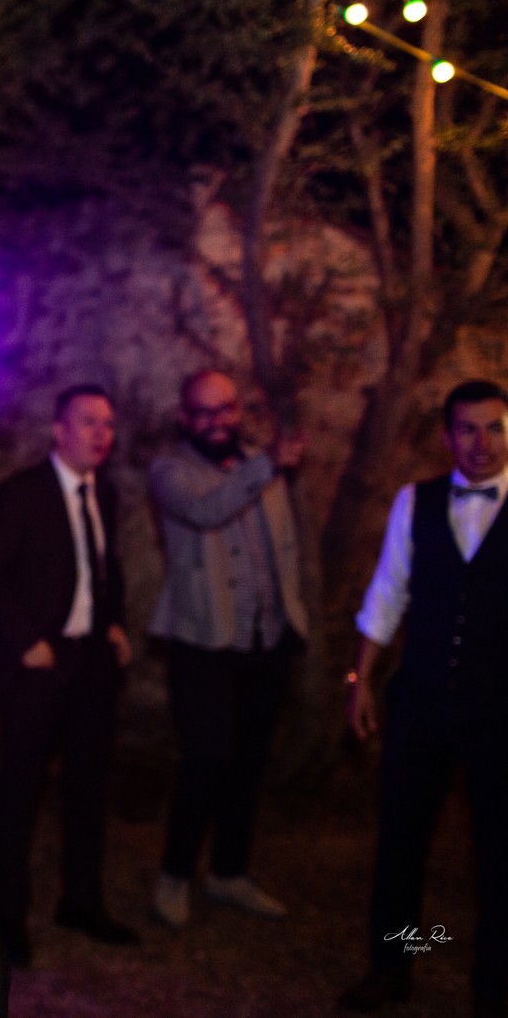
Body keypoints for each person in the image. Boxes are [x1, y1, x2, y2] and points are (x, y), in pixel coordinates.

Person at [339, 380, 508, 1018]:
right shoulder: (416, 502)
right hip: (422, 702)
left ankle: (493, 984)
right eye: (468, 428)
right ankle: (394, 964)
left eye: (495, 427)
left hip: (499, 713)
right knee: (401, 844)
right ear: (447, 437)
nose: (482, 442)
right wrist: (359, 681)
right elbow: (387, 594)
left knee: (498, 855)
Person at [0, 383, 137, 968]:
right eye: (89, 421)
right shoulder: (23, 492)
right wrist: (26, 641)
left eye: (108, 424)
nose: (101, 434)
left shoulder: (104, 494)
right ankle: (10, 916)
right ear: (59, 430)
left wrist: (112, 623)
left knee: (88, 787)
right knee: (20, 790)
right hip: (38, 668)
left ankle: (82, 902)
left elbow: (101, 569)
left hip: (91, 664)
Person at [147, 370, 308, 927]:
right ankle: (174, 875)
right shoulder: (171, 471)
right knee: (207, 760)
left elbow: (283, 547)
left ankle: (229, 872)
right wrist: (268, 466)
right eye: (204, 411)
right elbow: (206, 512)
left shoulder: (263, 466)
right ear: (186, 418)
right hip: (204, 643)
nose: (217, 421)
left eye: (226, 409)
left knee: (249, 763)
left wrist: (293, 615)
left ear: (238, 411)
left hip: (266, 640)